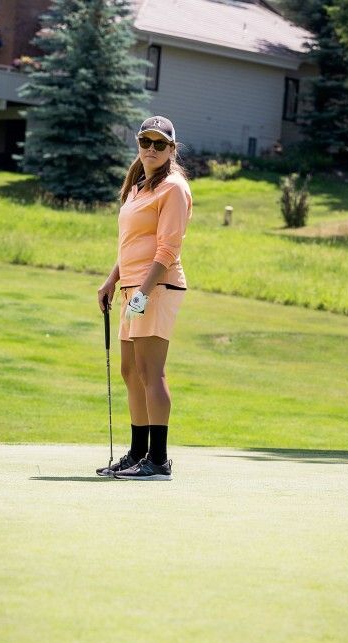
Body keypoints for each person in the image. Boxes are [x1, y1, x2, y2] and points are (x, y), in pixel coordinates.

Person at [96, 116, 192, 480]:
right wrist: (111, 281)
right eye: (145, 142)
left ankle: (159, 460)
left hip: (157, 287)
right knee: (130, 371)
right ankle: (138, 454)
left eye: (159, 144)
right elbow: (132, 246)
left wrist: (144, 293)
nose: (151, 149)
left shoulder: (173, 188)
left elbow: (167, 249)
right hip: (131, 287)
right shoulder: (139, 187)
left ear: (171, 149)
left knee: (151, 371)